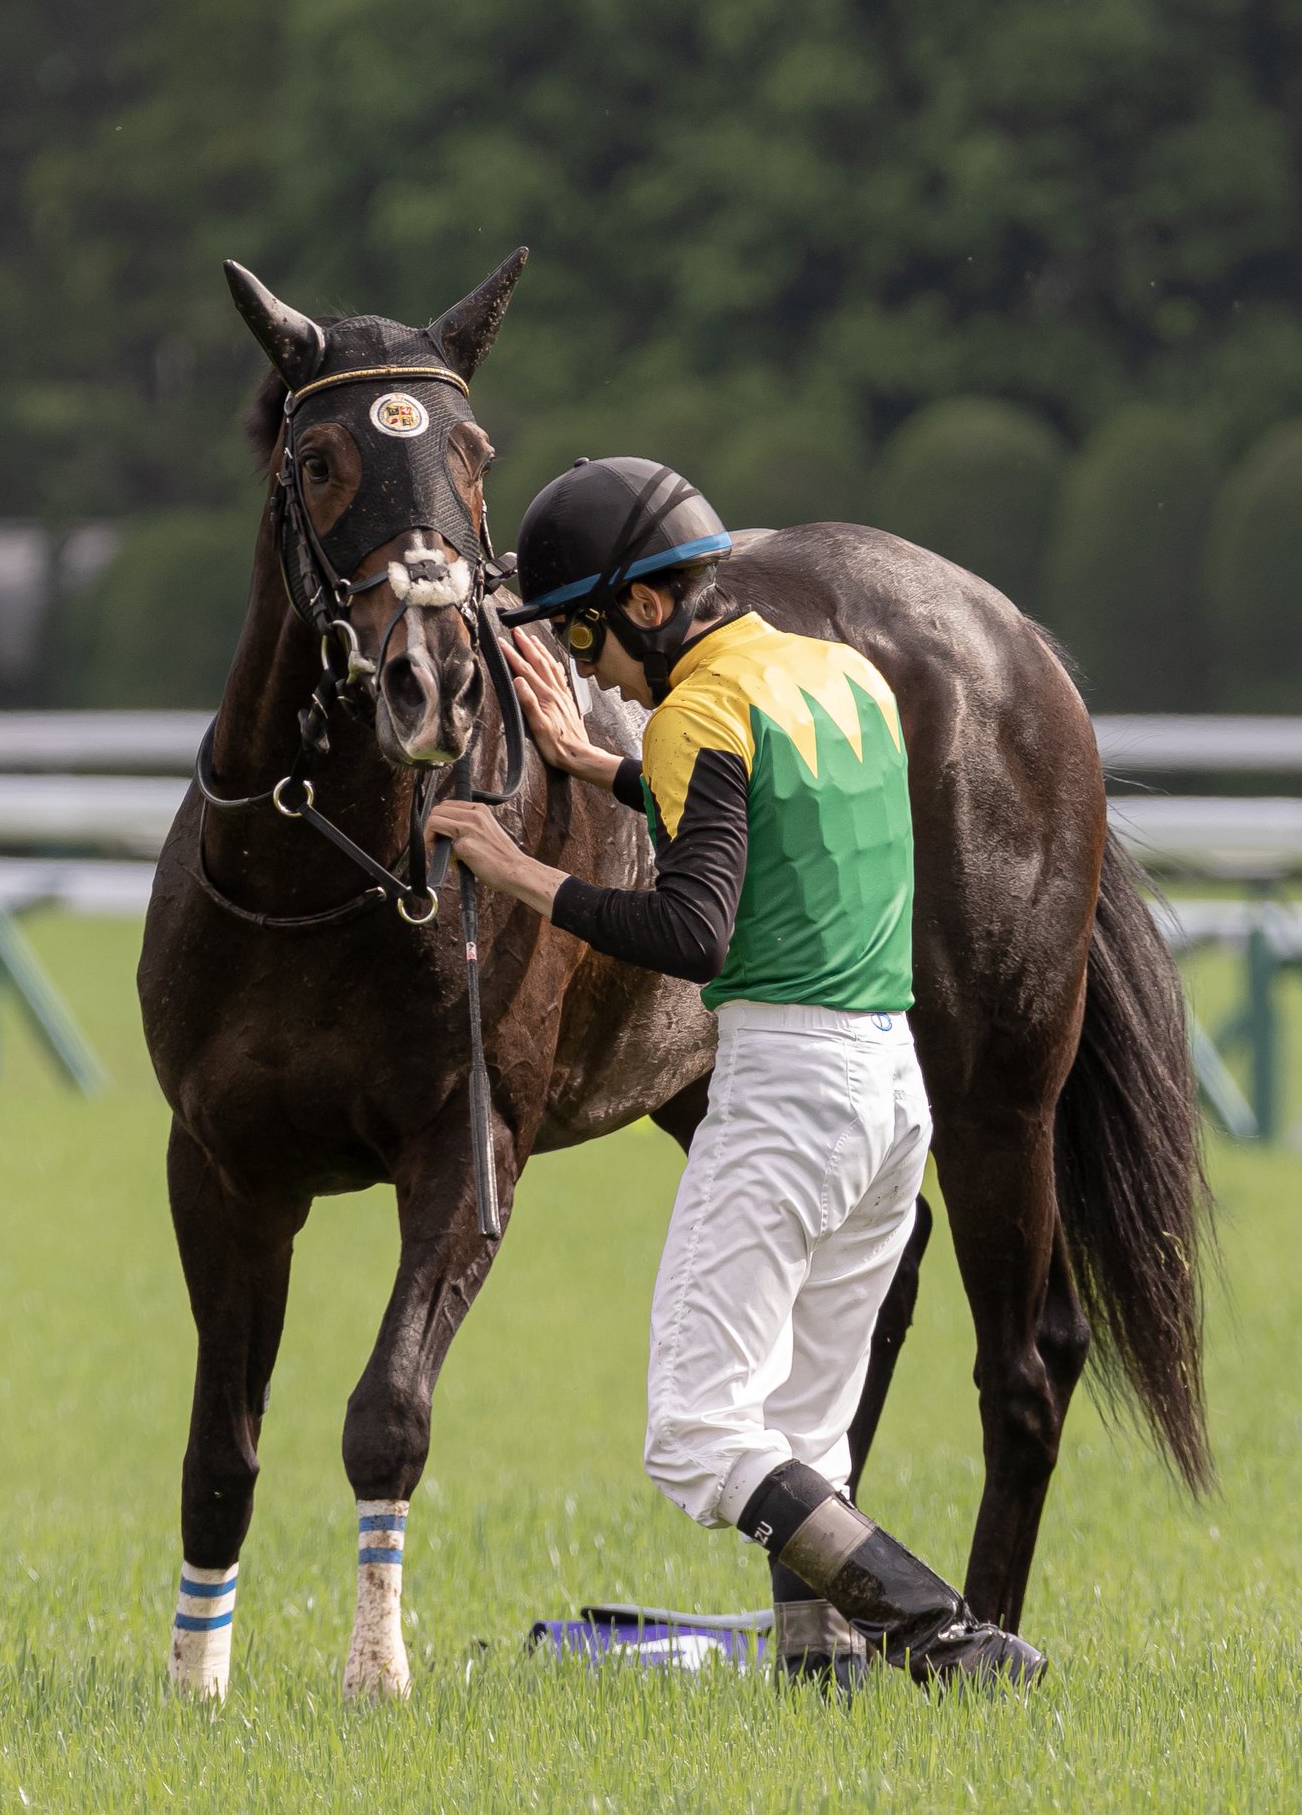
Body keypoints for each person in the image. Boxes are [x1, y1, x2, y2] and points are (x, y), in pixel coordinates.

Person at [430, 456, 1045, 1692]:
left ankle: (946, 1636)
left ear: (647, 609)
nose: (591, 672)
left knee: (698, 1437)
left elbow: (693, 929)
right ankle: (822, 1687)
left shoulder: (693, 713)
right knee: (807, 1435)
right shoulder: (839, 674)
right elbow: (768, 805)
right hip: (889, 1096)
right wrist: (604, 765)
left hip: (786, 1091)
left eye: (590, 638)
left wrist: (518, 871)